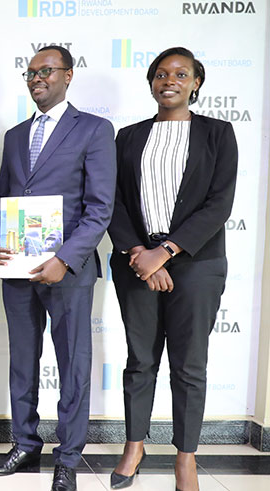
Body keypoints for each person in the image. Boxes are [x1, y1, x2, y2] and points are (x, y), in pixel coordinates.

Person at [0, 45, 116, 491]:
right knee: (23, 361)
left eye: (46, 70)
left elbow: (100, 209)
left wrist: (64, 259)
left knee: (72, 365)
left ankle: (68, 456)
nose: (37, 78)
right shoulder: (16, 136)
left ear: (68, 75)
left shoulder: (95, 130)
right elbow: (2, 199)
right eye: (30, 72)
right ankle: (24, 442)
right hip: (18, 269)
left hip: (68, 272)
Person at [107, 47, 237, 491]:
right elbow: (115, 203)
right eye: (161, 74)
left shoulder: (218, 134)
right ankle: (134, 446)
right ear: (151, 83)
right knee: (140, 361)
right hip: (136, 261)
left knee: (188, 365)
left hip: (197, 263)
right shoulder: (128, 137)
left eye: (181, 74)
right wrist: (141, 255)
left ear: (196, 82)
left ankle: (186, 457)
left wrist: (165, 252)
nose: (170, 80)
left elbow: (219, 204)